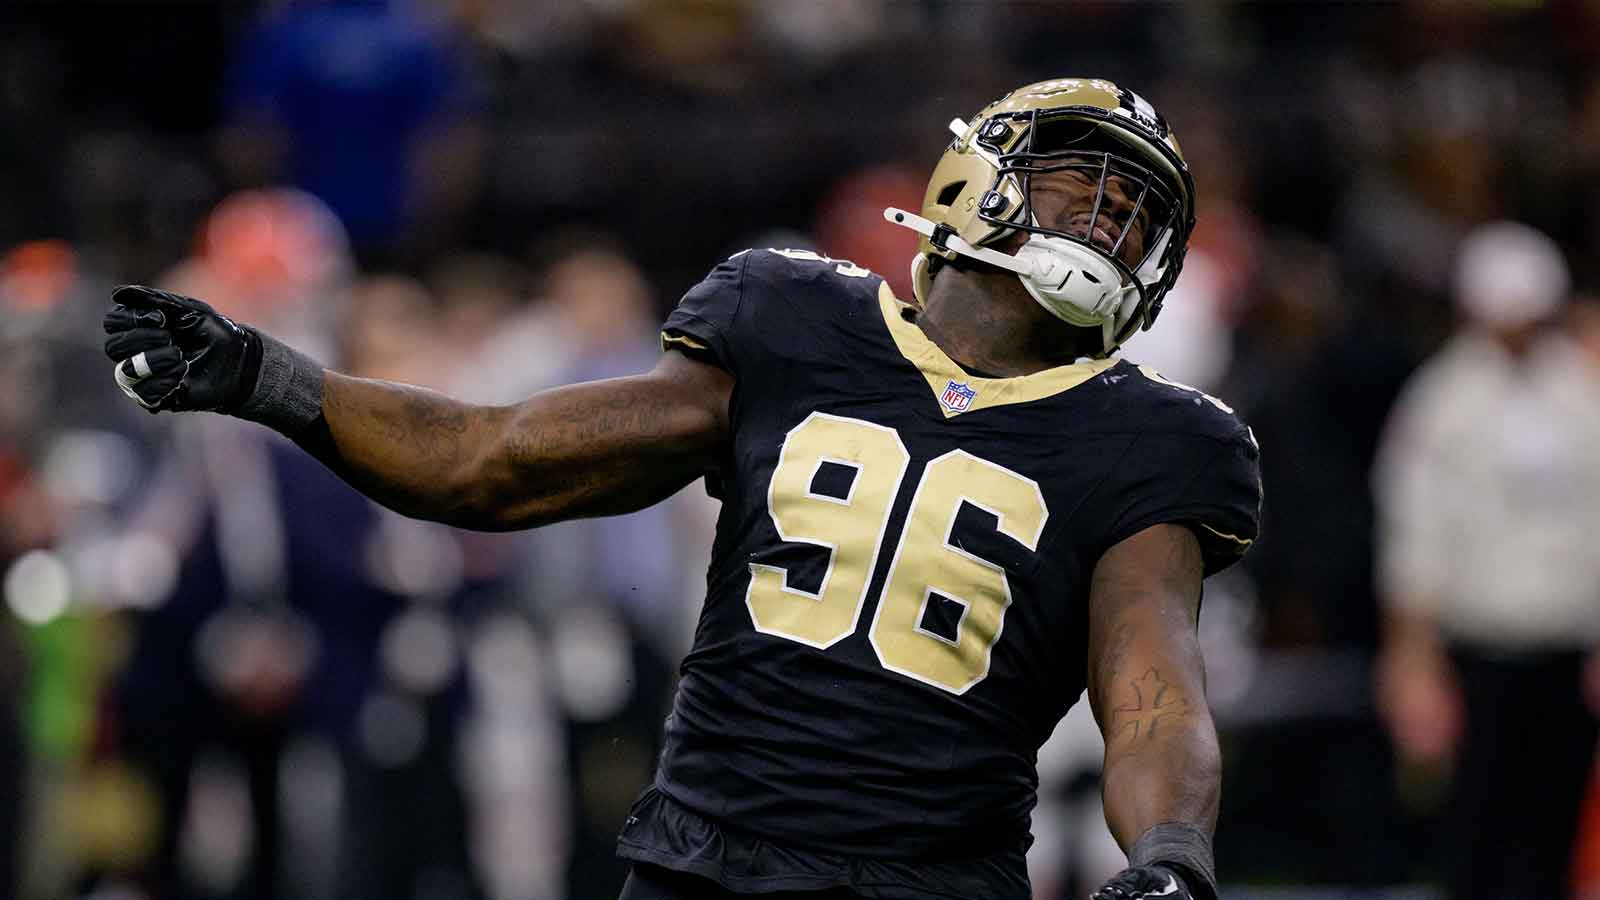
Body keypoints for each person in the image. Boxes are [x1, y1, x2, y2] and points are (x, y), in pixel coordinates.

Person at [102, 78, 1260, 900]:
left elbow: (1152, 690)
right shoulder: (791, 321)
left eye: (1135, 215)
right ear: (985, 175)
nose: (1112, 223)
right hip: (705, 863)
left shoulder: (1149, 439)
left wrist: (1170, 855)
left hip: (934, 883)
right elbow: (490, 460)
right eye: (1085, 189)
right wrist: (269, 376)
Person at [1374, 221, 1600, 900]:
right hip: (1477, 661)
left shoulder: (1582, 394)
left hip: (1569, 656)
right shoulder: (1442, 402)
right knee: (1476, 847)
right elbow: (1414, 534)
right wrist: (1413, 662)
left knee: (1558, 845)